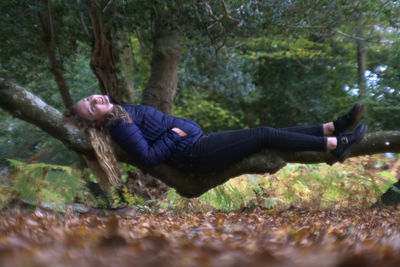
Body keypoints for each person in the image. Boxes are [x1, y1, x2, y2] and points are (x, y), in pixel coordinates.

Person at [65, 94, 367, 186]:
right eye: (90, 107)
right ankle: (335, 146)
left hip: (197, 145)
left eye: (90, 97)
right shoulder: (118, 124)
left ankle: (330, 128)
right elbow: (146, 158)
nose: (95, 99)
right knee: (263, 134)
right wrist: (173, 134)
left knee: (267, 133)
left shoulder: (120, 111)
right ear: (96, 121)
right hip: (194, 154)